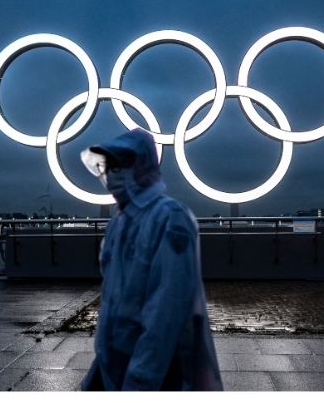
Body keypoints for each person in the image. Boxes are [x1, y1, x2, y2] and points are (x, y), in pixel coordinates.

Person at [79, 128, 223, 391]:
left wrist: (141, 380)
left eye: (120, 165)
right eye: (109, 166)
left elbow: (167, 308)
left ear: (141, 164)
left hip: (161, 369)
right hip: (115, 362)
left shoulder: (170, 217)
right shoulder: (119, 224)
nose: (112, 174)